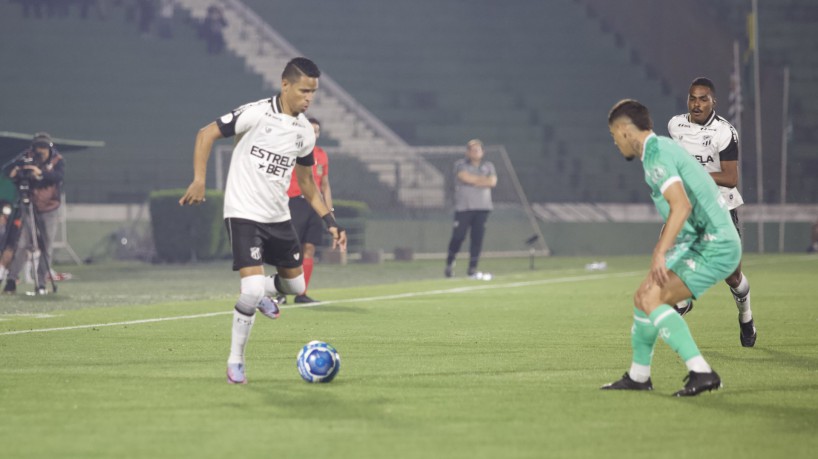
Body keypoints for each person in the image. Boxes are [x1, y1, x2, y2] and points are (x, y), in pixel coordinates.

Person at [179, 57, 347, 385]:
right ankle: (236, 361)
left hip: (278, 216)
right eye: (304, 91)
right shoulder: (256, 113)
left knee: (296, 286)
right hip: (243, 212)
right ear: (285, 85)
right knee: (251, 288)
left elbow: (308, 184)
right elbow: (205, 134)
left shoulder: (304, 132)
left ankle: (263, 295)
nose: (309, 98)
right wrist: (199, 180)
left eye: (313, 92)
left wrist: (330, 220)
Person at [601, 99, 741, 396]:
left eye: (614, 135)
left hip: (714, 243)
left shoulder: (657, 155)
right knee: (643, 297)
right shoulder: (660, 148)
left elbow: (681, 206)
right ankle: (639, 376)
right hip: (700, 241)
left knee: (655, 299)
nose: (614, 142)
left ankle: (702, 372)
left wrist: (660, 253)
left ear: (625, 130)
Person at [668, 77, 757, 347]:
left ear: (713, 102)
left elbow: (731, 178)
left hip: (721, 207)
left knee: (733, 276)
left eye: (703, 99)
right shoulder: (675, 125)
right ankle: (682, 300)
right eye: (692, 98)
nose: (696, 104)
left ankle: (746, 316)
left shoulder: (724, 132)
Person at [277, 117, 333, 305]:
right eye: (311, 130)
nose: (314, 134)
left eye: (317, 131)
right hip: (295, 202)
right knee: (289, 249)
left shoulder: (322, 155)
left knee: (309, 248)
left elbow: (325, 185)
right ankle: (281, 292)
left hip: (315, 206)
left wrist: (329, 211)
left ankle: (302, 293)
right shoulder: (293, 151)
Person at [2, 132, 65, 295]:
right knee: (22, 244)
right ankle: (11, 280)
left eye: (43, 147)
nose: (40, 150)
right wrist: (17, 171)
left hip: (50, 208)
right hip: (29, 205)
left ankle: (41, 283)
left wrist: (41, 174)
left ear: (49, 148)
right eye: (38, 147)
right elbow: (7, 169)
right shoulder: (27, 157)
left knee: (46, 246)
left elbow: (58, 177)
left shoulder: (57, 160)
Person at [444, 139, 497, 279]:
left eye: (478, 150)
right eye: (472, 150)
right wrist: (482, 181)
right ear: (467, 152)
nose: (475, 152)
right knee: (458, 236)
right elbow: (465, 177)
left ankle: (472, 268)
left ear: (483, 152)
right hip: (464, 207)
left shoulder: (488, 166)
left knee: (477, 238)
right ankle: (450, 262)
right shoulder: (460, 165)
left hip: (483, 207)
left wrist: (477, 181)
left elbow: (492, 182)